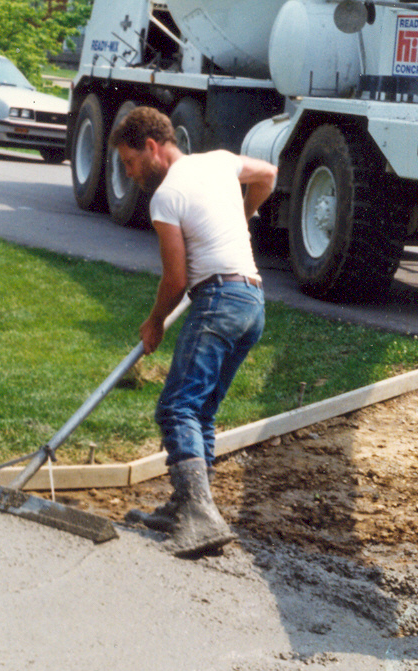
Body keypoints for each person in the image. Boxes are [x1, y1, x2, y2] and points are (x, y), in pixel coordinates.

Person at [109, 107, 278, 558]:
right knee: (201, 410)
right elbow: (268, 174)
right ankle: (188, 505)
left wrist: (154, 321)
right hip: (252, 302)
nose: (129, 173)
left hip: (219, 300)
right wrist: (245, 213)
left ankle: (201, 517)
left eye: (130, 162)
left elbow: (176, 279)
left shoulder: (167, 196)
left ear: (151, 147)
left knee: (176, 407)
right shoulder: (220, 161)